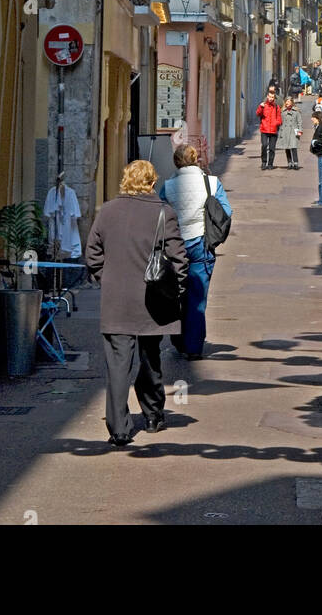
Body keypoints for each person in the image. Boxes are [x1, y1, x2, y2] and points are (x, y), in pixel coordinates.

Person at [85, 159, 188, 446]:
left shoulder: (107, 211)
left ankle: (118, 429)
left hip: (116, 301)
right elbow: (180, 259)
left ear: (126, 180)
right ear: (152, 181)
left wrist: (106, 278)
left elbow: (92, 253)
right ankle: (153, 415)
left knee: (118, 366)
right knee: (150, 358)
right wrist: (176, 291)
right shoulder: (163, 213)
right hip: (152, 301)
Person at [159, 146, 232, 359]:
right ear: (196, 160)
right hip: (201, 242)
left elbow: (160, 214)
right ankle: (193, 347)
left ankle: (178, 340)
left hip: (175, 245)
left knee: (176, 293)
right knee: (197, 296)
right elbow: (226, 211)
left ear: (176, 162)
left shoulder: (169, 186)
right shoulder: (211, 183)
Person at [255, 89, 282, 169]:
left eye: (272, 97)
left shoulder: (276, 107)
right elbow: (258, 114)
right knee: (264, 145)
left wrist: (276, 123)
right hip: (264, 129)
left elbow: (279, 118)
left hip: (273, 130)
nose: (271, 98)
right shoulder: (263, 105)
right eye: (269, 96)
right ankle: (264, 162)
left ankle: (270, 163)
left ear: (274, 98)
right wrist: (260, 107)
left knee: (272, 148)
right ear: (267, 96)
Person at [275, 97, 302, 168]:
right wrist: (280, 133)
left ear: (292, 103)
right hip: (285, 131)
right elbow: (280, 123)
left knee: (293, 147)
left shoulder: (296, 112)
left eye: (289, 101)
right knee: (287, 147)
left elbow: (299, 122)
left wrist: (300, 131)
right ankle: (289, 162)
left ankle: (295, 162)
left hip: (294, 131)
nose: (287, 103)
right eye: (286, 102)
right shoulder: (282, 112)